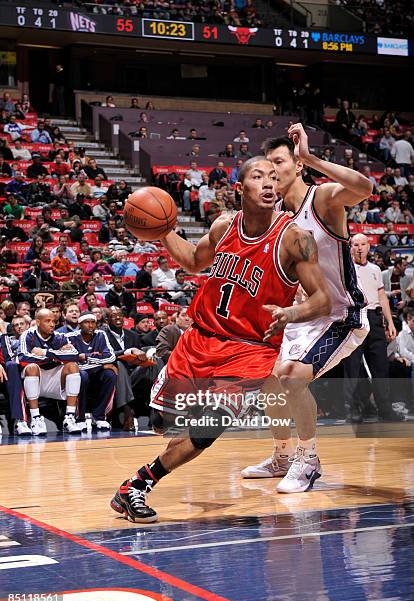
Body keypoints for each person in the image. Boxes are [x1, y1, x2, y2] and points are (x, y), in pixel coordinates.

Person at [110, 156, 331, 522]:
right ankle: (140, 479)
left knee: (206, 430)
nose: (268, 184)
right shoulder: (223, 227)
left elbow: (322, 299)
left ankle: (136, 485)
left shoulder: (295, 239)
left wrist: (291, 313)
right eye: (258, 176)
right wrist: (163, 229)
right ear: (238, 188)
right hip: (199, 341)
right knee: (165, 426)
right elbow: (193, 263)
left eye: (274, 178)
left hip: (250, 352)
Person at [242, 125, 371, 492]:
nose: (270, 174)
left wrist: (312, 157)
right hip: (304, 315)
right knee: (268, 377)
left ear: (297, 166)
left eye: (278, 163)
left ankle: (308, 459)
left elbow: (364, 188)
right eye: (264, 168)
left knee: (293, 377)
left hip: (341, 312)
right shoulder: (276, 219)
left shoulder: (323, 199)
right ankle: (282, 455)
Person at [344, 234, 401, 422]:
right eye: (355, 244)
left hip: (375, 318)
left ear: (369, 247)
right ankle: (353, 409)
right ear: (350, 247)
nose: (359, 248)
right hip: (355, 317)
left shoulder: (376, 269)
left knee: (380, 366)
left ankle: (385, 408)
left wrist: (390, 322)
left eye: (363, 244)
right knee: (352, 366)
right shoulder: (345, 267)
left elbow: (382, 297)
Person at [17, 308, 82, 435]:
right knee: (31, 367)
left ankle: (69, 418)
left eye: (54, 321)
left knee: (73, 366)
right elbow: (23, 357)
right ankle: (35, 418)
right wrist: (57, 356)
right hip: (36, 378)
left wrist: (45, 353)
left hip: (55, 380)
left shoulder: (60, 336)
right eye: (47, 321)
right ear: (38, 322)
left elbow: (74, 355)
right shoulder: (28, 335)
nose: (52, 324)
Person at [66, 312, 116, 431]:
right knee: (81, 376)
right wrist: (100, 362)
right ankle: (80, 418)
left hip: (96, 372)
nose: (90, 325)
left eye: (93, 322)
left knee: (111, 375)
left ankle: (99, 417)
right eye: (87, 322)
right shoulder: (70, 337)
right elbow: (73, 361)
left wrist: (87, 357)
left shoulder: (101, 334)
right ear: (80, 324)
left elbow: (111, 357)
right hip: (81, 373)